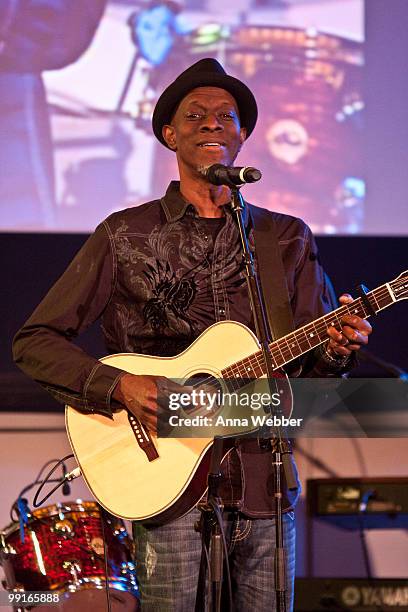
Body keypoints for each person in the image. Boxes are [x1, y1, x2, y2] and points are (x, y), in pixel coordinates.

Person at [13, 58, 372, 611]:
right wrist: (122, 387)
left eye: (226, 117)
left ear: (243, 136)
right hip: (169, 483)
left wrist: (337, 347)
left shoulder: (285, 239)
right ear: (169, 134)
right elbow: (35, 340)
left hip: (265, 481)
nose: (212, 124)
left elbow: (313, 370)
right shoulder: (125, 234)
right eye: (196, 115)